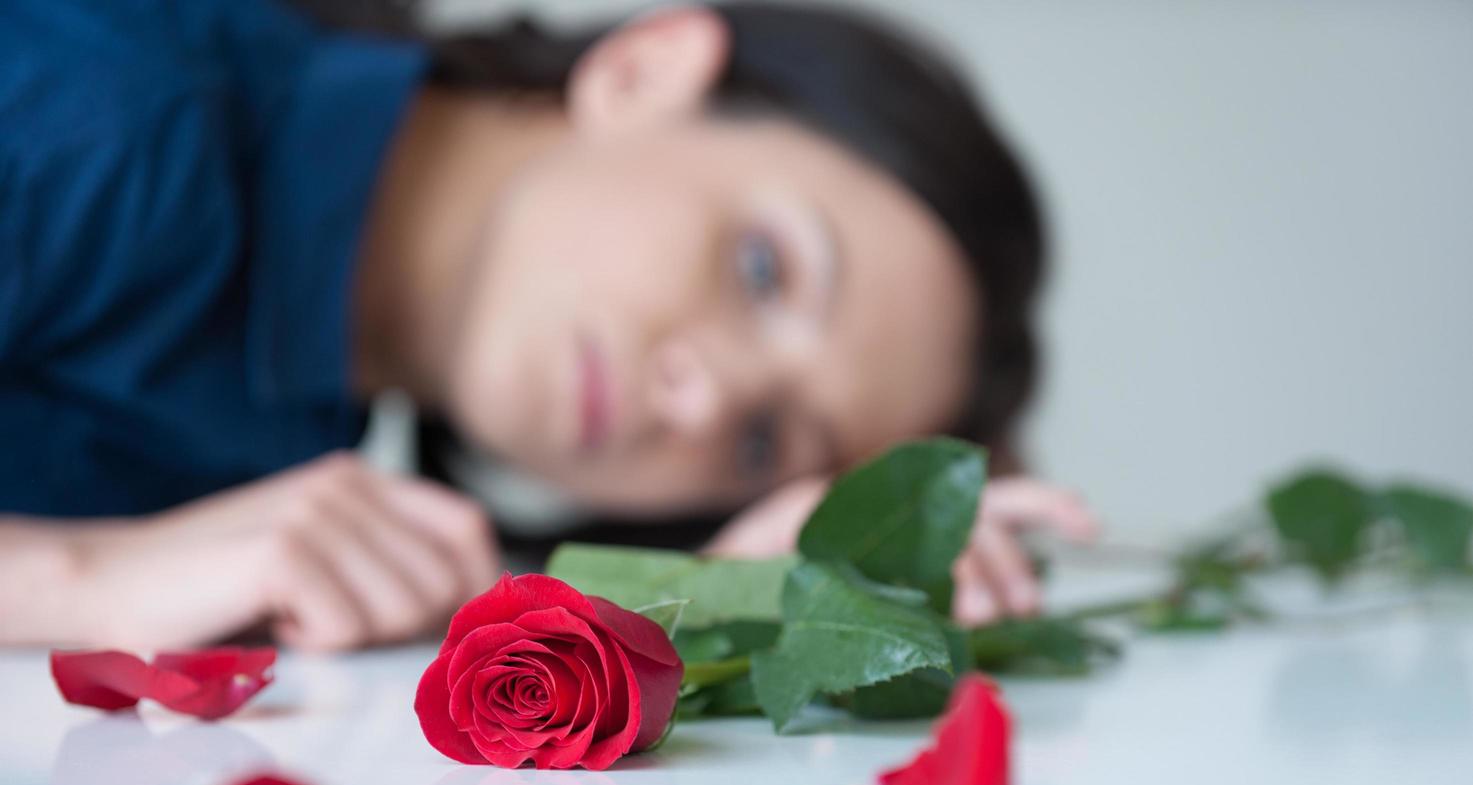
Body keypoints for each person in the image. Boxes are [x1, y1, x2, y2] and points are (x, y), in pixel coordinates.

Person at [0, 0, 1096, 651]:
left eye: (764, 441)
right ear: (643, 71)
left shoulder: (306, 427)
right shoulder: (113, 117)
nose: (707, 402)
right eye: (762, 269)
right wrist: (83, 580)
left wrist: (714, 593)